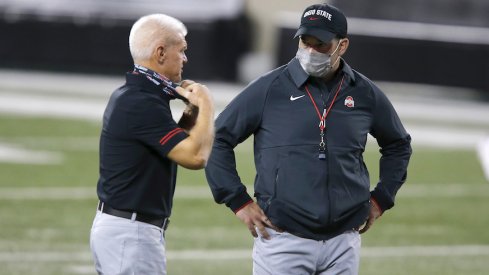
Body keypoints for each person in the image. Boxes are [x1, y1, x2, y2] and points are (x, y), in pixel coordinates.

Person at [205, 3, 411, 274]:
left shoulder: (363, 93)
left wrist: (382, 198)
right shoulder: (269, 88)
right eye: (305, 40)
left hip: (343, 242)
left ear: (343, 45)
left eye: (321, 44)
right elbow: (215, 139)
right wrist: (238, 201)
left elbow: (397, 144)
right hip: (282, 240)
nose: (311, 50)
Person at [90, 14, 214, 274]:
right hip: (131, 233)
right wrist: (206, 104)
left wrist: (191, 114)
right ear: (160, 53)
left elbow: (168, 146)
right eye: (181, 51)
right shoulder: (141, 103)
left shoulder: (135, 94)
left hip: (123, 229)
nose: (185, 58)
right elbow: (195, 157)